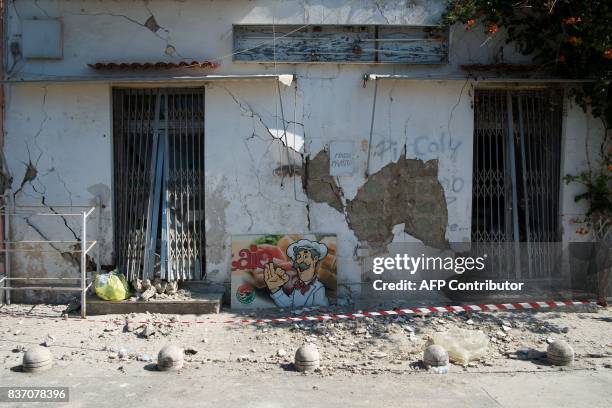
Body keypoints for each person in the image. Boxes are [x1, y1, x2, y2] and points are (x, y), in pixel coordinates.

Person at [263, 239, 329, 308]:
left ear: (315, 259)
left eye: (305, 256)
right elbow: (289, 305)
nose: (300, 261)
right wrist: (275, 290)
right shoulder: (297, 287)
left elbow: (322, 309)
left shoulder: (318, 288)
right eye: (298, 257)